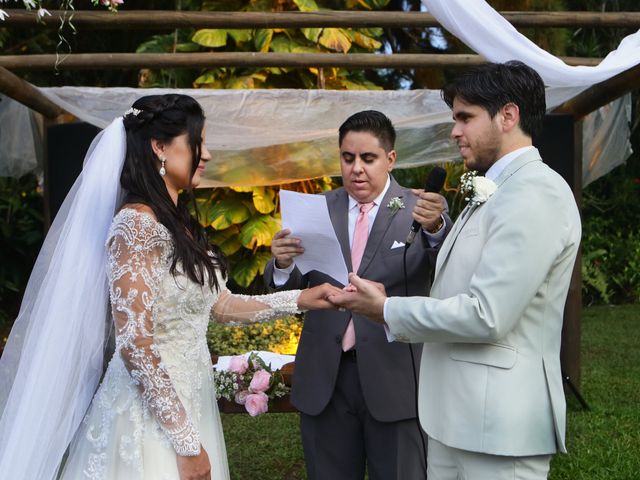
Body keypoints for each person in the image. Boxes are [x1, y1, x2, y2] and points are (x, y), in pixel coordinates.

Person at [0, 94, 340, 480]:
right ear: (160, 147)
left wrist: (301, 298)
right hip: (149, 420)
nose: (207, 154)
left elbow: (220, 306)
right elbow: (136, 345)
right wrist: (185, 442)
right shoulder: (137, 227)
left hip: (189, 403)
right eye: (198, 142)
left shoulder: (177, 225)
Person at [328, 62, 582, 480]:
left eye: (465, 118)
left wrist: (387, 309)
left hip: (499, 427)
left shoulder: (536, 192)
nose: (454, 131)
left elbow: (487, 314)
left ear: (508, 115)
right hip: (456, 421)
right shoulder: (495, 191)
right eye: (454, 119)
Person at [264, 110, 451, 480]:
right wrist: (282, 264)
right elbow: (286, 285)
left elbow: (442, 261)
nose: (356, 169)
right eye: (348, 158)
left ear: (390, 159)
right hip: (326, 377)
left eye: (368, 158)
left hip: (395, 374)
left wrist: (436, 228)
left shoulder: (421, 209)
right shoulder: (317, 208)